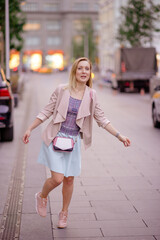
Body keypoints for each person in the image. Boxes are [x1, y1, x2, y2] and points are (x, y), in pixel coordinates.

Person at [23, 57, 131, 228]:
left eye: (86, 69)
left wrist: (119, 136)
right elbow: (47, 110)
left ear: (90, 73)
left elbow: (101, 119)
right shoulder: (61, 90)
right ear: (74, 71)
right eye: (80, 68)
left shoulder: (91, 95)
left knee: (69, 179)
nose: (83, 72)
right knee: (57, 179)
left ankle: (64, 213)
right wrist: (30, 128)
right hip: (55, 138)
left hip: (73, 142)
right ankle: (42, 196)